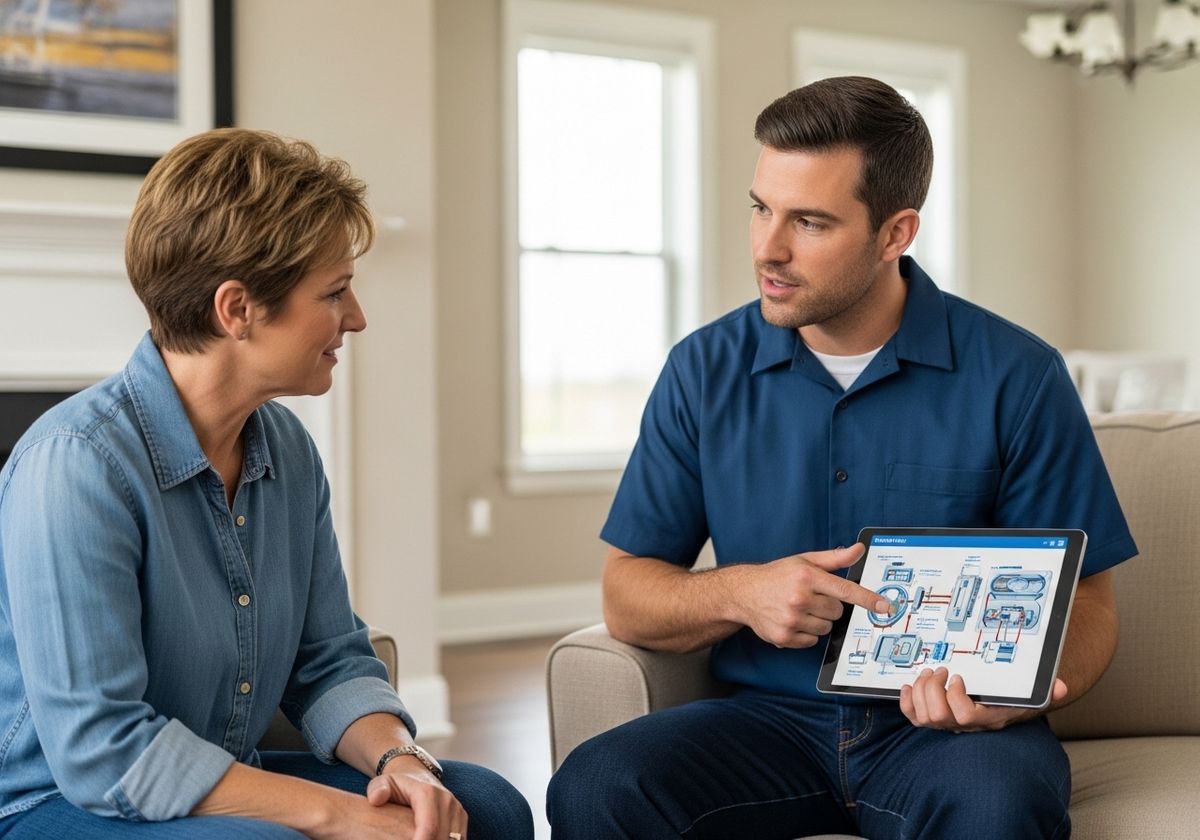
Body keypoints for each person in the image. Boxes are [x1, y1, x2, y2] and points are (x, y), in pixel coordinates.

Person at [547, 76, 1136, 839]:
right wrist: (741, 594)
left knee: (998, 807)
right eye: (761, 208)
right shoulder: (702, 371)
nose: (769, 247)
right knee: (594, 786)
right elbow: (628, 592)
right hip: (765, 725)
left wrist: (1021, 694)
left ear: (895, 234)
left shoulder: (1018, 375)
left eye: (811, 222)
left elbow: (1089, 607)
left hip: (948, 736)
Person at [0, 128, 533, 840]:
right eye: (336, 292)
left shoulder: (287, 450)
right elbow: (102, 753)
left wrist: (401, 760)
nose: (357, 318)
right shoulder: (74, 466)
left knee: (485, 805)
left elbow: (329, 659)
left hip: (225, 771)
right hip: (63, 801)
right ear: (237, 309)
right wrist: (335, 814)